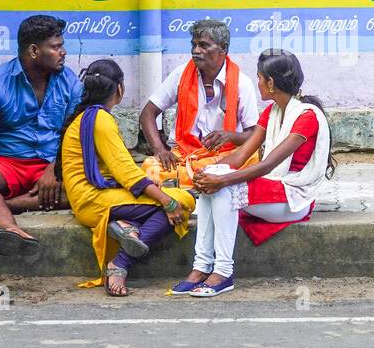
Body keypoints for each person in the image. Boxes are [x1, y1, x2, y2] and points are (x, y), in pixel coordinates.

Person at [174, 49, 335, 298]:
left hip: (294, 198)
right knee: (212, 184)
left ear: (270, 83)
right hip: (273, 188)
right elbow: (239, 157)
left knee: (223, 187)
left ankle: (223, 272)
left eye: (260, 78)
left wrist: (221, 179)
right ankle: (201, 267)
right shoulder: (271, 113)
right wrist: (208, 172)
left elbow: (268, 164)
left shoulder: (306, 117)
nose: (257, 82)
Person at [59, 59, 196, 297]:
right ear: (119, 89)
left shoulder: (87, 116)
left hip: (93, 198)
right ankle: (119, 263)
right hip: (94, 201)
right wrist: (167, 201)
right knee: (182, 201)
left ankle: (128, 226)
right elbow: (127, 174)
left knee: (165, 199)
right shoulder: (100, 119)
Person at [0, 15, 82, 256]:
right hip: (5, 163)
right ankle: (12, 232)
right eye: (56, 47)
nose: (63, 52)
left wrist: (56, 168)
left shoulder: (70, 82)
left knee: (90, 186)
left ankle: (6, 205)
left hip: (51, 161)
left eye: (62, 46)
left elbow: (75, 134)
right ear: (34, 51)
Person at [139, 20, 258, 174]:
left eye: (203, 45)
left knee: (251, 158)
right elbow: (147, 113)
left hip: (223, 156)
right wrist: (160, 150)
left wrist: (231, 136)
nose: (196, 50)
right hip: (183, 154)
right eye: (193, 45)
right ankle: (207, 180)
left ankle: (199, 181)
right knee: (150, 168)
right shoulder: (181, 75)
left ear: (223, 48)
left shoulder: (242, 83)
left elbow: (254, 135)